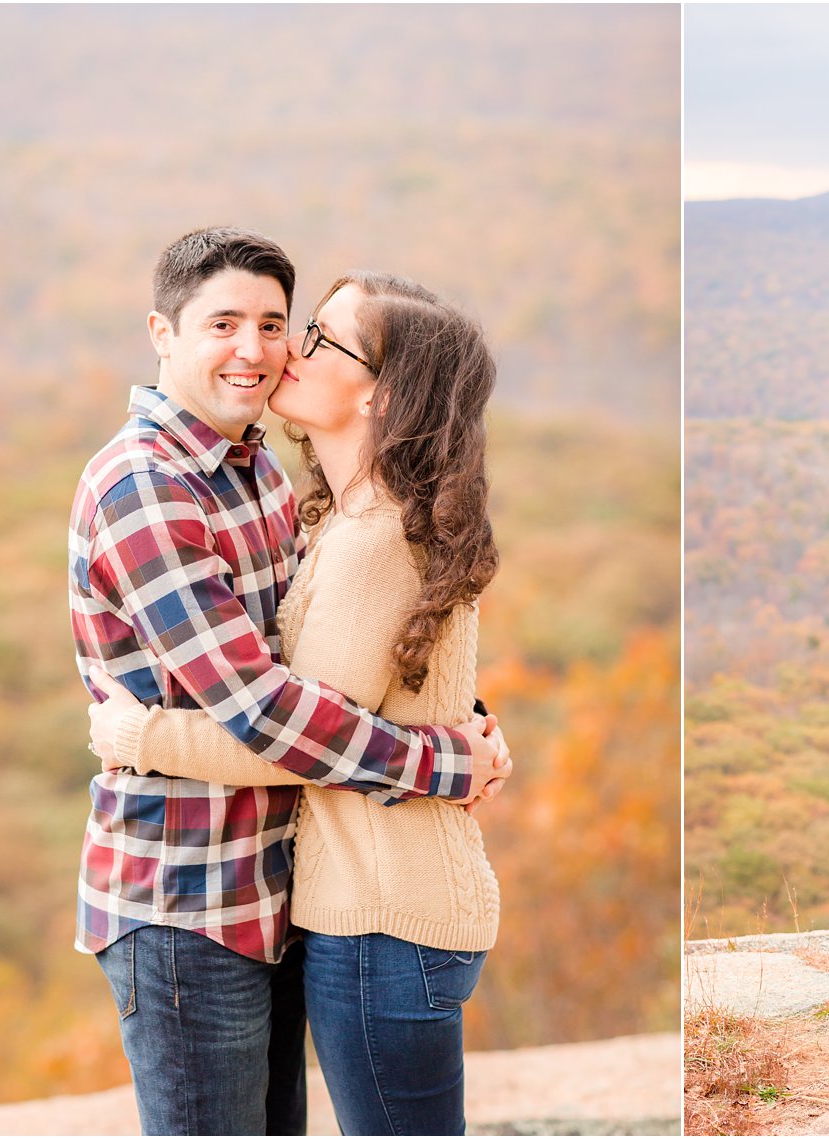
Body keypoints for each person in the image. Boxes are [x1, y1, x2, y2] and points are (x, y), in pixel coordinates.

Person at [69, 228, 509, 1135]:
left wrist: (463, 724)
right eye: (223, 323)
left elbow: (340, 675)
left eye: (281, 325)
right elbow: (269, 713)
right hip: (186, 897)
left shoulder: (265, 475)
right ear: (162, 331)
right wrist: (445, 762)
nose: (263, 349)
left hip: (279, 892)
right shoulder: (148, 486)